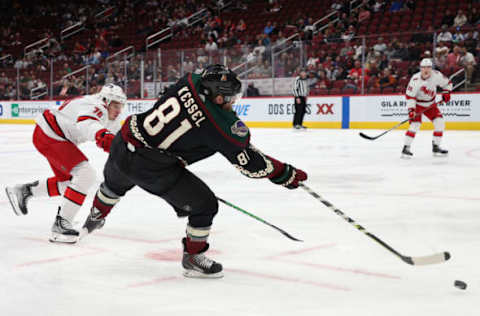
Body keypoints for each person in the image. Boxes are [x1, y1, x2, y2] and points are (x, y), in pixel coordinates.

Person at [80, 65, 308, 278]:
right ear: (218, 97)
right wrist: (283, 173)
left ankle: (96, 215)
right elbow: (249, 164)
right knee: (205, 206)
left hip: (124, 142)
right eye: (230, 98)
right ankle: (193, 257)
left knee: (113, 185)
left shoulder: (190, 80)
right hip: (152, 168)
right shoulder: (222, 124)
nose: (232, 103)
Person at [5, 84, 126, 243]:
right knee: (85, 174)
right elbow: (88, 125)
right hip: (50, 135)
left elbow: (120, 140)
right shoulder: (96, 107)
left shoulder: (110, 115)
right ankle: (60, 226)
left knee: (70, 183)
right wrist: (110, 143)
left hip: (51, 134)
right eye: (116, 105)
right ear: (106, 100)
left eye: (121, 106)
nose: (118, 110)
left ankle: (25, 191)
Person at [401, 58, 452, 158]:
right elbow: (410, 96)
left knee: (440, 123)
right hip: (418, 104)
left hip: (431, 104)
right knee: (415, 124)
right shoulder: (415, 79)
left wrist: (446, 92)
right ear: (420, 68)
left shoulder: (437, 75)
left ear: (431, 68)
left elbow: (447, 84)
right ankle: (406, 148)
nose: (426, 70)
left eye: (428, 67)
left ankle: (436, 147)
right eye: (423, 67)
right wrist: (411, 110)